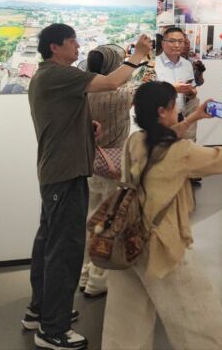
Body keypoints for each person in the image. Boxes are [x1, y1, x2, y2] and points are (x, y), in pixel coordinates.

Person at [101, 81, 222, 349]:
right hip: (162, 246)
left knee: (125, 326)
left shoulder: (135, 141)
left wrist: (193, 118)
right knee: (199, 320)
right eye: (173, 107)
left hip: (126, 241)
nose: (176, 111)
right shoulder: (180, 153)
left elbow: (163, 140)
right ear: (162, 111)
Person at [23, 24, 151, 350]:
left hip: (58, 173)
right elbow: (111, 82)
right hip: (65, 175)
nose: (78, 47)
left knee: (48, 244)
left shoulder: (48, 76)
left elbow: (60, 117)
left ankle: (41, 311)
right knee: (64, 250)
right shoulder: (58, 74)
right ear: (55, 47)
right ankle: (53, 329)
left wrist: (85, 127)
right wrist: (137, 55)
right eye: (72, 42)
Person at [79, 44, 135, 300]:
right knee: (108, 222)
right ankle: (98, 279)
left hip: (91, 162)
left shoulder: (83, 91)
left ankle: (84, 273)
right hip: (114, 165)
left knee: (91, 218)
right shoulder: (122, 94)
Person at [155, 27, 197, 140]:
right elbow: (146, 93)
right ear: (163, 43)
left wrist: (191, 92)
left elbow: (192, 91)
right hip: (158, 119)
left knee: (178, 149)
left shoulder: (187, 64)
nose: (177, 45)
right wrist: (172, 88)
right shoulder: (153, 64)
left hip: (179, 117)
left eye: (180, 41)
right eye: (172, 41)